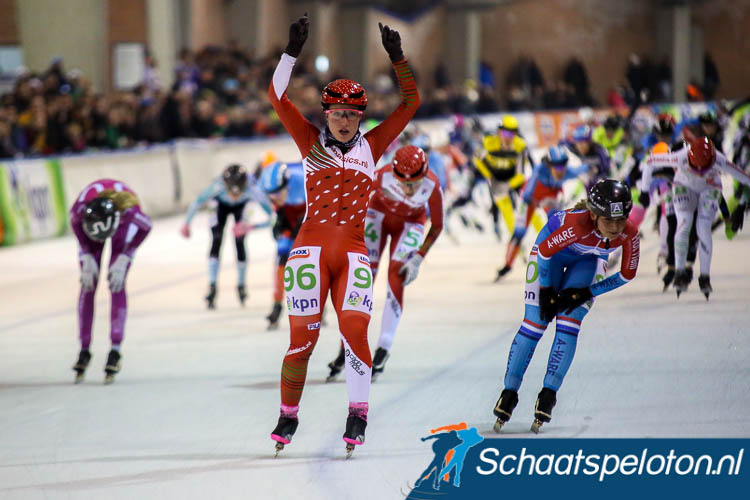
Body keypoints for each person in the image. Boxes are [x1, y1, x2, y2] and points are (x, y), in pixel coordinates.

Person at [267, 13, 419, 455]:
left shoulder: (374, 145)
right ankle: (287, 414)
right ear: (326, 114)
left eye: (352, 115)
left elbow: (410, 102)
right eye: (338, 114)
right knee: (302, 342)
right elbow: (277, 96)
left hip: (353, 254)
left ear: (361, 117)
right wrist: (290, 53)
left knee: (355, 333)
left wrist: (398, 58)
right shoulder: (309, 141)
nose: (345, 122)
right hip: (308, 253)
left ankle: (358, 412)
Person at [492, 179, 639, 433]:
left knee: (570, 322)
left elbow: (627, 275)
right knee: (536, 322)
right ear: (593, 215)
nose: (616, 228)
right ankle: (509, 392)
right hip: (550, 254)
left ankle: (548, 394)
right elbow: (546, 254)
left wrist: (587, 292)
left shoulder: (630, 232)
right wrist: (547, 292)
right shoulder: (576, 225)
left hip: (589, 260)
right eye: (608, 221)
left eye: (620, 220)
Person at [326, 145, 443, 381]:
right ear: (395, 175)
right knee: (362, 277)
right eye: (403, 184)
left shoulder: (433, 185)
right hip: (377, 217)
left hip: (411, 224)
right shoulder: (381, 175)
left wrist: (419, 258)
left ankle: (383, 348)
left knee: (396, 276)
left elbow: (438, 225)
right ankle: (345, 346)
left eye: (414, 184)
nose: (409, 190)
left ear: (425, 174)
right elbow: (349, 200)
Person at [640, 137, 750, 299]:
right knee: (684, 224)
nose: (699, 170)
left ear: (712, 160)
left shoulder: (720, 160)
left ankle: (705, 276)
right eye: (695, 167)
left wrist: (742, 205)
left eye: (704, 168)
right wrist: (644, 190)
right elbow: (649, 162)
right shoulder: (679, 156)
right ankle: (679, 270)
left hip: (709, 188)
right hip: (684, 186)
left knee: (703, 228)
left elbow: (746, 179)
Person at [70, 179, 152, 384]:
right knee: (88, 283)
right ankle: (84, 348)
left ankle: (115, 350)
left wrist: (126, 255)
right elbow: (79, 234)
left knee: (117, 281)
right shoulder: (78, 213)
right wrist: (87, 254)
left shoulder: (130, 213)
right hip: (92, 228)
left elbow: (146, 227)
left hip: (120, 228)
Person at [180, 164, 270, 309]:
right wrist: (186, 224)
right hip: (220, 205)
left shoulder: (253, 190)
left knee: (240, 240)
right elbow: (197, 203)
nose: (234, 197)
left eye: (238, 193)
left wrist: (251, 227)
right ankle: (212, 285)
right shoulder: (217, 187)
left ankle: (241, 284)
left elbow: (274, 218)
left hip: (243, 206)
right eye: (232, 193)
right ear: (225, 186)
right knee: (216, 239)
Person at [495, 146, 590, 280]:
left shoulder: (567, 171)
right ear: (549, 165)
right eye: (556, 167)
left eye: (563, 166)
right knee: (519, 232)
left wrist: (593, 167)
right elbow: (527, 194)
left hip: (549, 198)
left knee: (558, 227)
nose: (560, 171)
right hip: (530, 199)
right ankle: (508, 264)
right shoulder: (539, 170)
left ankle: (562, 259)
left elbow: (584, 168)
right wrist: (541, 202)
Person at [259, 161, 306, 329]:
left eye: (278, 192)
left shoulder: (303, 180)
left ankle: (317, 302)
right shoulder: (270, 188)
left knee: (306, 261)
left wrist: (305, 222)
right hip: (288, 216)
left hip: (307, 216)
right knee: (281, 256)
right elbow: (273, 205)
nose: (275, 197)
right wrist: (275, 220)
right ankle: (277, 305)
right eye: (271, 194)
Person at [473, 114, 531, 240]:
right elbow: (476, 159)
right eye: (505, 133)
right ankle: (497, 225)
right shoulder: (489, 143)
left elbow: (522, 173)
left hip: (512, 176)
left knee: (526, 201)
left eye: (511, 135)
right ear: (499, 132)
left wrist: (509, 185)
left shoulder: (520, 145)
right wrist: (488, 175)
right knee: (499, 202)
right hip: (496, 177)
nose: (507, 138)